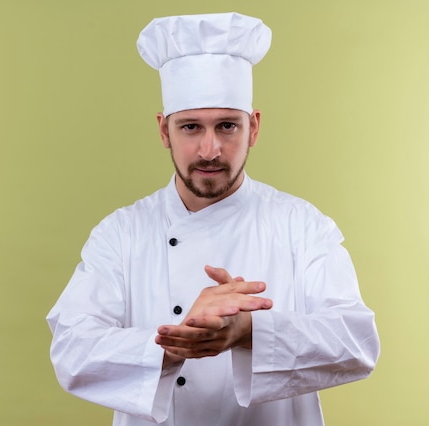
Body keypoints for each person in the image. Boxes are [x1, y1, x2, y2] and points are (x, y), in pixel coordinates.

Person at [46, 12, 380, 426]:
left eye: (227, 126)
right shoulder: (121, 232)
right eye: (190, 127)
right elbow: (72, 350)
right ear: (164, 131)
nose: (209, 150)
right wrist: (172, 346)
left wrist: (250, 330)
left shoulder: (301, 225)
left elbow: (357, 341)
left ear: (253, 127)